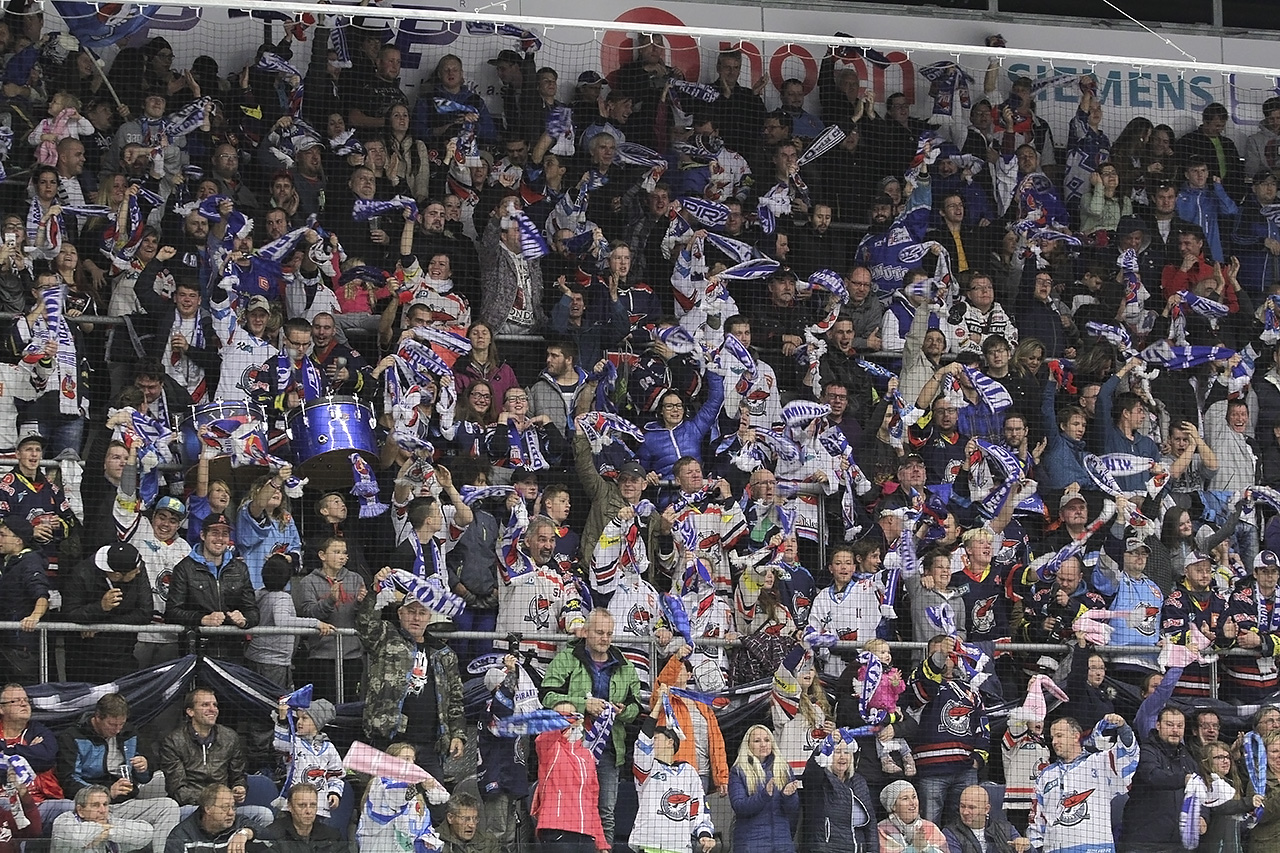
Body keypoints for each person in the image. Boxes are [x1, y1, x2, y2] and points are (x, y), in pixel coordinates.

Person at [540, 609, 641, 847]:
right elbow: (546, 696)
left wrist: (622, 711)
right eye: (599, 632)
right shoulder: (566, 659)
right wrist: (583, 705)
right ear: (585, 632)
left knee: (606, 812)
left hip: (608, 749)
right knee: (570, 809)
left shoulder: (625, 665)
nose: (605, 638)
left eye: (609, 634)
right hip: (570, 749)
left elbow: (636, 706)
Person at [357, 568, 466, 782]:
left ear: (429, 617)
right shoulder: (386, 637)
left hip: (431, 746)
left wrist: (458, 734)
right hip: (390, 741)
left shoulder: (445, 654)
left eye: (422, 613)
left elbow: (455, 700)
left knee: (436, 800)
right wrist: (375, 589)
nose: (416, 617)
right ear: (400, 613)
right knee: (384, 798)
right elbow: (364, 623)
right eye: (411, 611)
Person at [55, 694, 181, 853]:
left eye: (121, 724)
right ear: (97, 717)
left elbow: (146, 775)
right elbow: (68, 780)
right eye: (112, 724)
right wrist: (107, 792)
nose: (117, 730)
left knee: (169, 806)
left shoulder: (129, 732)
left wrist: (144, 767)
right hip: (92, 807)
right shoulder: (73, 736)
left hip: (125, 804)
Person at [158, 689, 271, 826]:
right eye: (205, 705)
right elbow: (178, 791)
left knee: (264, 815)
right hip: (192, 808)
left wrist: (239, 787)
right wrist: (214, 801)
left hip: (225, 808)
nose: (213, 709)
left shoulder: (230, 737)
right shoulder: (173, 741)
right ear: (190, 712)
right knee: (180, 814)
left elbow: (238, 776)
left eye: (215, 705)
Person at [1030, 715, 1137, 853]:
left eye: (1059, 736)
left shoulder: (1100, 762)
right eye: (1052, 738)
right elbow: (1037, 819)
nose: (1054, 742)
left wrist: (1123, 728)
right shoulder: (1046, 775)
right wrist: (1035, 846)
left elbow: (1128, 756)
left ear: (1076, 736)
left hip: (1096, 849)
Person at [165, 512, 259, 662]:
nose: (220, 539)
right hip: (195, 652)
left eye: (225, 534)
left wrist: (244, 619)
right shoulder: (184, 568)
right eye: (215, 533)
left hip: (233, 652)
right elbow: (171, 612)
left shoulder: (240, 569)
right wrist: (202, 619)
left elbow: (253, 611)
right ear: (203, 535)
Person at [632, 687, 717, 853]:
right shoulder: (646, 769)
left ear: (670, 742)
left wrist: (705, 834)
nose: (651, 741)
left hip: (679, 847)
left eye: (656, 738)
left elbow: (698, 807)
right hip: (649, 844)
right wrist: (659, 703)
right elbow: (643, 742)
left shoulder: (689, 772)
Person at [60, 543, 152, 683]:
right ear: (117, 574)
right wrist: (100, 607)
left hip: (123, 654)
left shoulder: (136, 566)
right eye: (134, 571)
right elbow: (70, 613)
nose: (138, 572)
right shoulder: (82, 573)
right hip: (83, 658)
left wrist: (102, 626)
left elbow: (145, 612)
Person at [1119, 706, 1199, 853]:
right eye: (1170, 725)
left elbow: (1200, 790)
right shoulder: (1146, 751)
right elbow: (1153, 776)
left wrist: (1203, 816)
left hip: (1178, 844)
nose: (1175, 730)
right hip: (1144, 842)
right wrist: (1183, 779)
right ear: (1158, 725)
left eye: (1179, 726)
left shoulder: (1187, 756)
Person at [531, 701, 608, 853]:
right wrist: (565, 720)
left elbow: (592, 802)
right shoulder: (550, 748)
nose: (567, 720)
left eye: (570, 715)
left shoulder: (587, 755)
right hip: (557, 831)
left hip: (586, 835)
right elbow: (544, 738)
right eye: (561, 716)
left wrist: (601, 843)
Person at [799, 733, 877, 853]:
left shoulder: (859, 781)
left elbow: (870, 824)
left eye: (846, 752)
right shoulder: (819, 780)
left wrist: (873, 850)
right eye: (837, 752)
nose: (842, 757)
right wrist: (825, 744)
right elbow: (812, 768)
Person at [729, 724, 800, 853]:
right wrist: (764, 795)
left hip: (782, 844)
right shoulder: (738, 771)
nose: (763, 744)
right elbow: (739, 807)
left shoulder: (784, 768)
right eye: (757, 741)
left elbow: (793, 809)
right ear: (748, 745)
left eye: (767, 740)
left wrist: (788, 796)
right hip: (751, 844)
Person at [0, 516, 49, 684]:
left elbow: (42, 595)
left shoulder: (30, 562)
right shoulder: (7, 562)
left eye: (3, 535)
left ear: (18, 540)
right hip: (6, 642)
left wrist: (35, 616)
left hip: (21, 648)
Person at [163, 784, 260, 853]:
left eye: (233, 807)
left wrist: (245, 833)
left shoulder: (239, 822)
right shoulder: (181, 836)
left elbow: (267, 835)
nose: (231, 813)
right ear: (208, 809)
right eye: (225, 807)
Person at [51, 784, 148, 853]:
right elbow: (78, 838)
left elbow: (147, 832)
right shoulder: (64, 821)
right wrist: (102, 828)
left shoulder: (110, 820)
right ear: (80, 810)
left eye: (105, 804)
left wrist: (108, 833)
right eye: (95, 805)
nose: (103, 810)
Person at [260, 784, 349, 853]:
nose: (308, 811)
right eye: (302, 805)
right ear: (290, 807)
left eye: (313, 805)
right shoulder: (272, 835)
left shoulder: (332, 836)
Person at [942, 785, 1029, 853]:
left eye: (972, 808)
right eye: (962, 806)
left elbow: (1026, 848)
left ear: (986, 809)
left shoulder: (1005, 828)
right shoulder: (950, 833)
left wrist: (1026, 846)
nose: (965, 812)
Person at [877, 780, 947, 853]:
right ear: (893, 806)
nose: (912, 803)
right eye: (905, 798)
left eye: (914, 797)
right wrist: (915, 848)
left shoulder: (930, 827)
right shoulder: (882, 830)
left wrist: (927, 848)